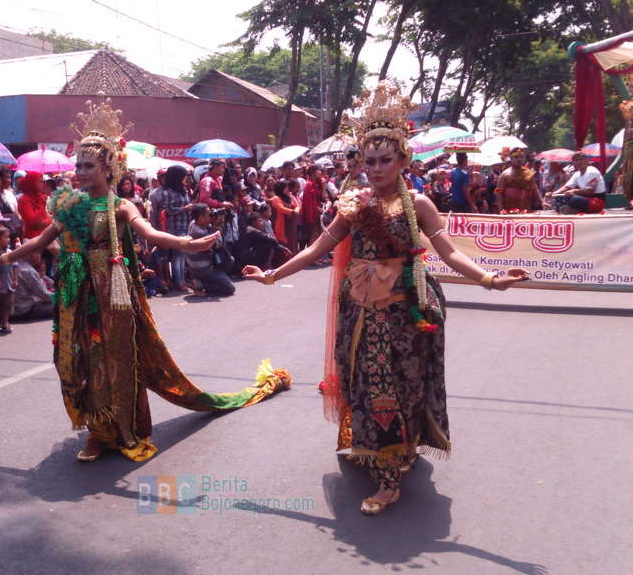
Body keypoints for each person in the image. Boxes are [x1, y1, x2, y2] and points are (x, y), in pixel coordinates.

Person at [243, 82, 528, 515]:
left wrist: (490, 279)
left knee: (404, 387)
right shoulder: (352, 204)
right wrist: (272, 275)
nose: (376, 168)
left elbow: (448, 252)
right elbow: (317, 248)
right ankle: (387, 469)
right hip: (361, 315)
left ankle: (395, 463)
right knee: (370, 386)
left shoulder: (419, 204)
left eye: (385, 160)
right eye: (370, 161)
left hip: (405, 313)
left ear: (403, 160)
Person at [0, 100, 290, 463]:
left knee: (113, 363)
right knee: (80, 363)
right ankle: (97, 427)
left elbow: (150, 233)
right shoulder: (69, 206)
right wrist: (2, 258)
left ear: (108, 168)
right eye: (78, 165)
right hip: (75, 297)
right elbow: (39, 241)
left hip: (113, 299)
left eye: (89, 166)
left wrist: (186, 243)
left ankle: (115, 431)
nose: (81, 172)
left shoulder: (121, 205)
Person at [186, 203, 236, 297]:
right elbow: (218, 244)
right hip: (203, 267)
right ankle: (200, 285)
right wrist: (218, 226)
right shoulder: (199, 233)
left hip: (196, 266)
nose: (211, 215)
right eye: (209, 214)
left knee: (230, 260)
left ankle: (203, 280)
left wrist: (213, 220)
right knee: (230, 288)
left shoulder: (193, 223)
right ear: (201, 217)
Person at [160, 165, 192, 292]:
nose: (185, 178)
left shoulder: (184, 190)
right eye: (183, 176)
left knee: (183, 254)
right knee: (177, 255)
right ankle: (178, 281)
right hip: (174, 227)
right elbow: (168, 210)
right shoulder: (168, 193)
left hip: (185, 225)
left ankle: (182, 280)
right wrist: (184, 209)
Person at [17, 171, 52, 241]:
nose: (43, 184)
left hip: (44, 237)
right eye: (41, 181)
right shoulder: (24, 200)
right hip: (32, 240)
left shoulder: (41, 197)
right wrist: (43, 206)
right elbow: (33, 222)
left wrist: (45, 222)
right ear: (32, 183)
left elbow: (48, 219)